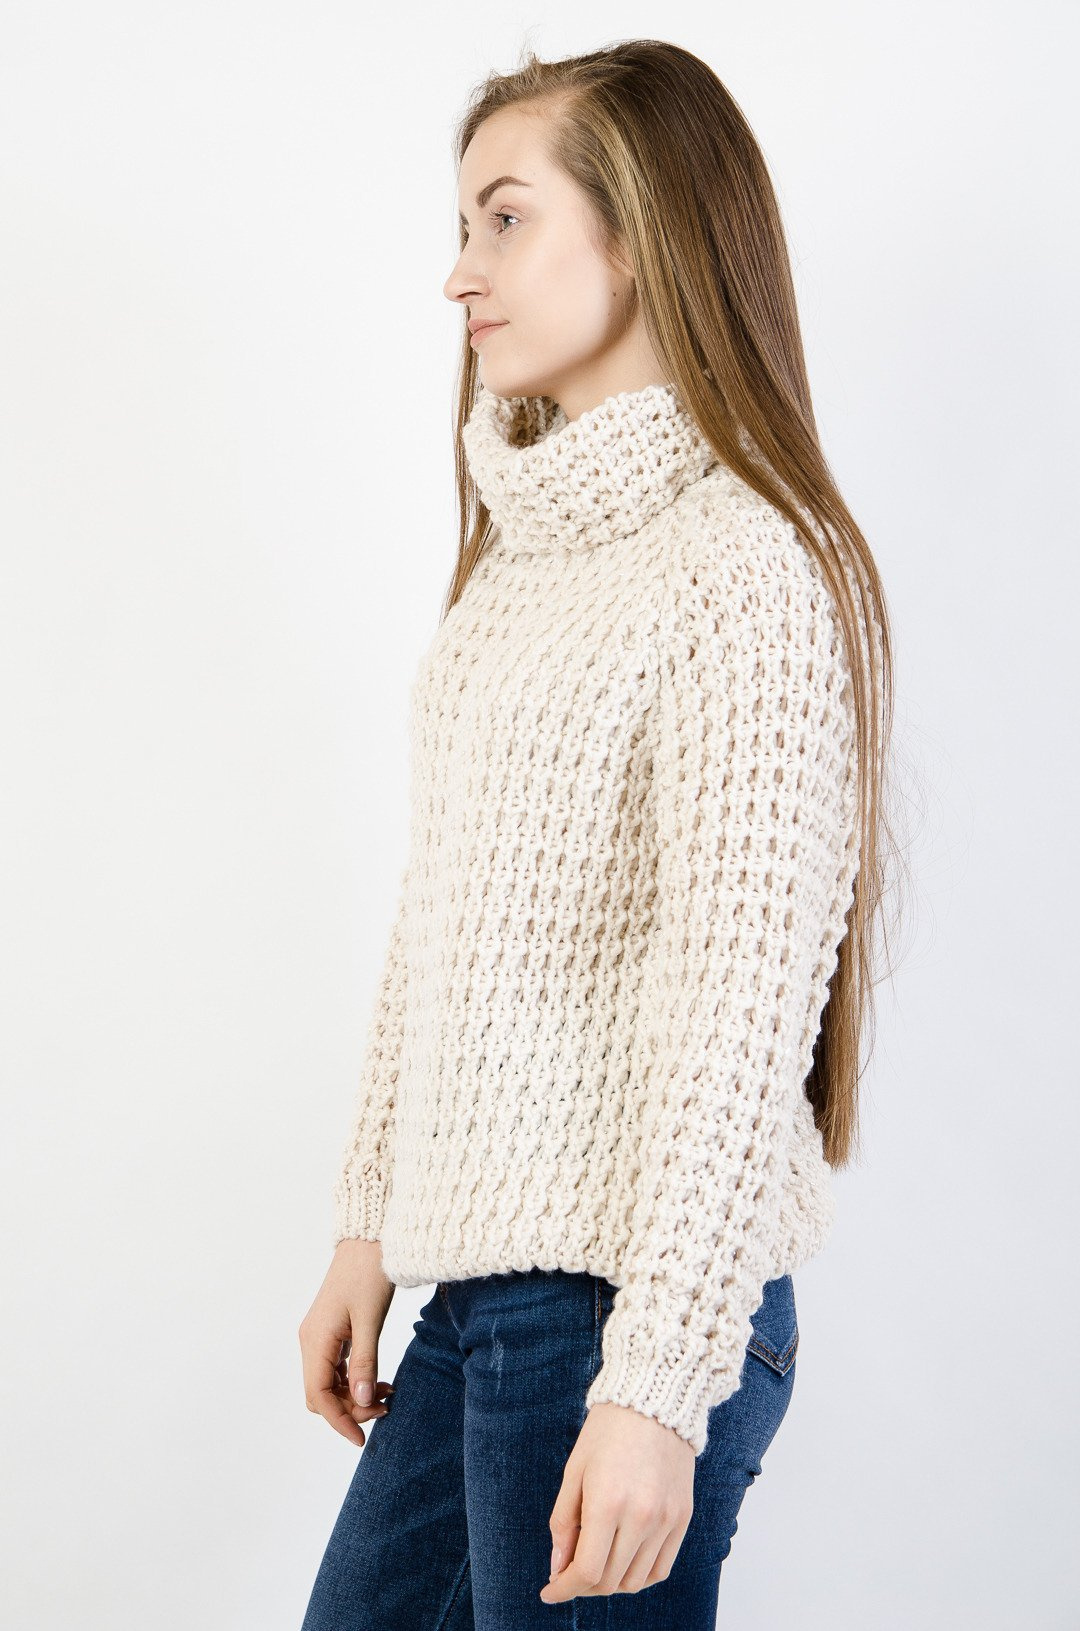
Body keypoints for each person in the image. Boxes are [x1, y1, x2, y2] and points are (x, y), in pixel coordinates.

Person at [298, 37, 895, 1631]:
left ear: (643, 236)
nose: (459, 272)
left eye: (505, 220)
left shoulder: (745, 568)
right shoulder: (519, 566)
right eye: (463, 226)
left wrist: (657, 1386)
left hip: (631, 1309)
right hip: (486, 1299)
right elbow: (442, 918)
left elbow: (739, 1011)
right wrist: (369, 1225)